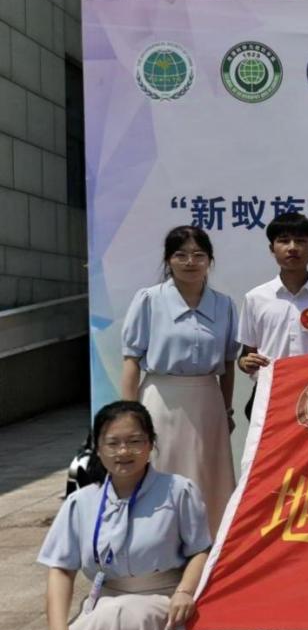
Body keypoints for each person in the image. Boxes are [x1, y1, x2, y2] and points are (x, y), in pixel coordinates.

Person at [28, 401, 211, 630]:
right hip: (105, 601)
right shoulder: (81, 502)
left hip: (164, 600)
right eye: (112, 443)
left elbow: (201, 550)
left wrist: (186, 592)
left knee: (128, 616)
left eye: (135, 441)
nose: (123, 451)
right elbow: (60, 569)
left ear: (151, 443)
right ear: (98, 448)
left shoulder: (178, 491)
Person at [121, 226, 238, 534]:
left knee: (209, 474)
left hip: (208, 402)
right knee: (162, 467)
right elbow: (131, 359)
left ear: (210, 260)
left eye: (199, 255)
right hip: (161, 399)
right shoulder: (149, 300)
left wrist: (227, 410)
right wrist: (128, 415)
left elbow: (228, 363)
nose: (190, 262)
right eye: (181, 255)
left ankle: (209, 542)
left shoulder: (224, 305)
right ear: (168, 260)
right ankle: (157, 538)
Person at [237, 211, 308, 415]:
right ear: (272, 248)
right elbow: (246, 355)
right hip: (268, 393)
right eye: (284, 240)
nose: (292, 247)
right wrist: (245, 362)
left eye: (300, 241)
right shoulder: (255, 297)